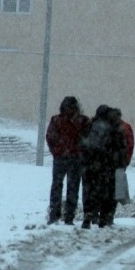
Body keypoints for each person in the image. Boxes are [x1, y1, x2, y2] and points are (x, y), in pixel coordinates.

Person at [79, 105, 127, 229]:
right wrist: (121, 164)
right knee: (106, 192)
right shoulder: (114, 128)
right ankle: (103, 218)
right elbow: (121, 148)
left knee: (89, 190)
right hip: (106, 165)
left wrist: (84, 160)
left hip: (90, 164)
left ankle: (88, 213)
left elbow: (82, 143)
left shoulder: (90, 125)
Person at [45, 96, 90, 225]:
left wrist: (57, 151)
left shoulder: (57, 120)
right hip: (75, 158)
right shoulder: (83, 121)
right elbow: (88, 139)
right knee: (73, 188)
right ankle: (69, 216)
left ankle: (54, 215)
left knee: (57, 187)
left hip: (61, 158)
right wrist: (80, 151)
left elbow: (50, 137)